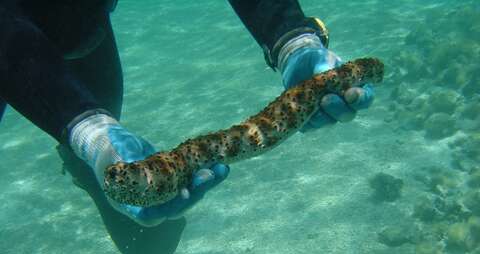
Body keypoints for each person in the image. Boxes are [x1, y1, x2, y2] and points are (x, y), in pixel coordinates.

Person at [0, 0, 374, 228]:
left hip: (82, 28)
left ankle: (83, 161)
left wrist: (291, 37)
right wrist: (87, 131)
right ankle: (78, 154)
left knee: (150, 234)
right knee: (101, 161)